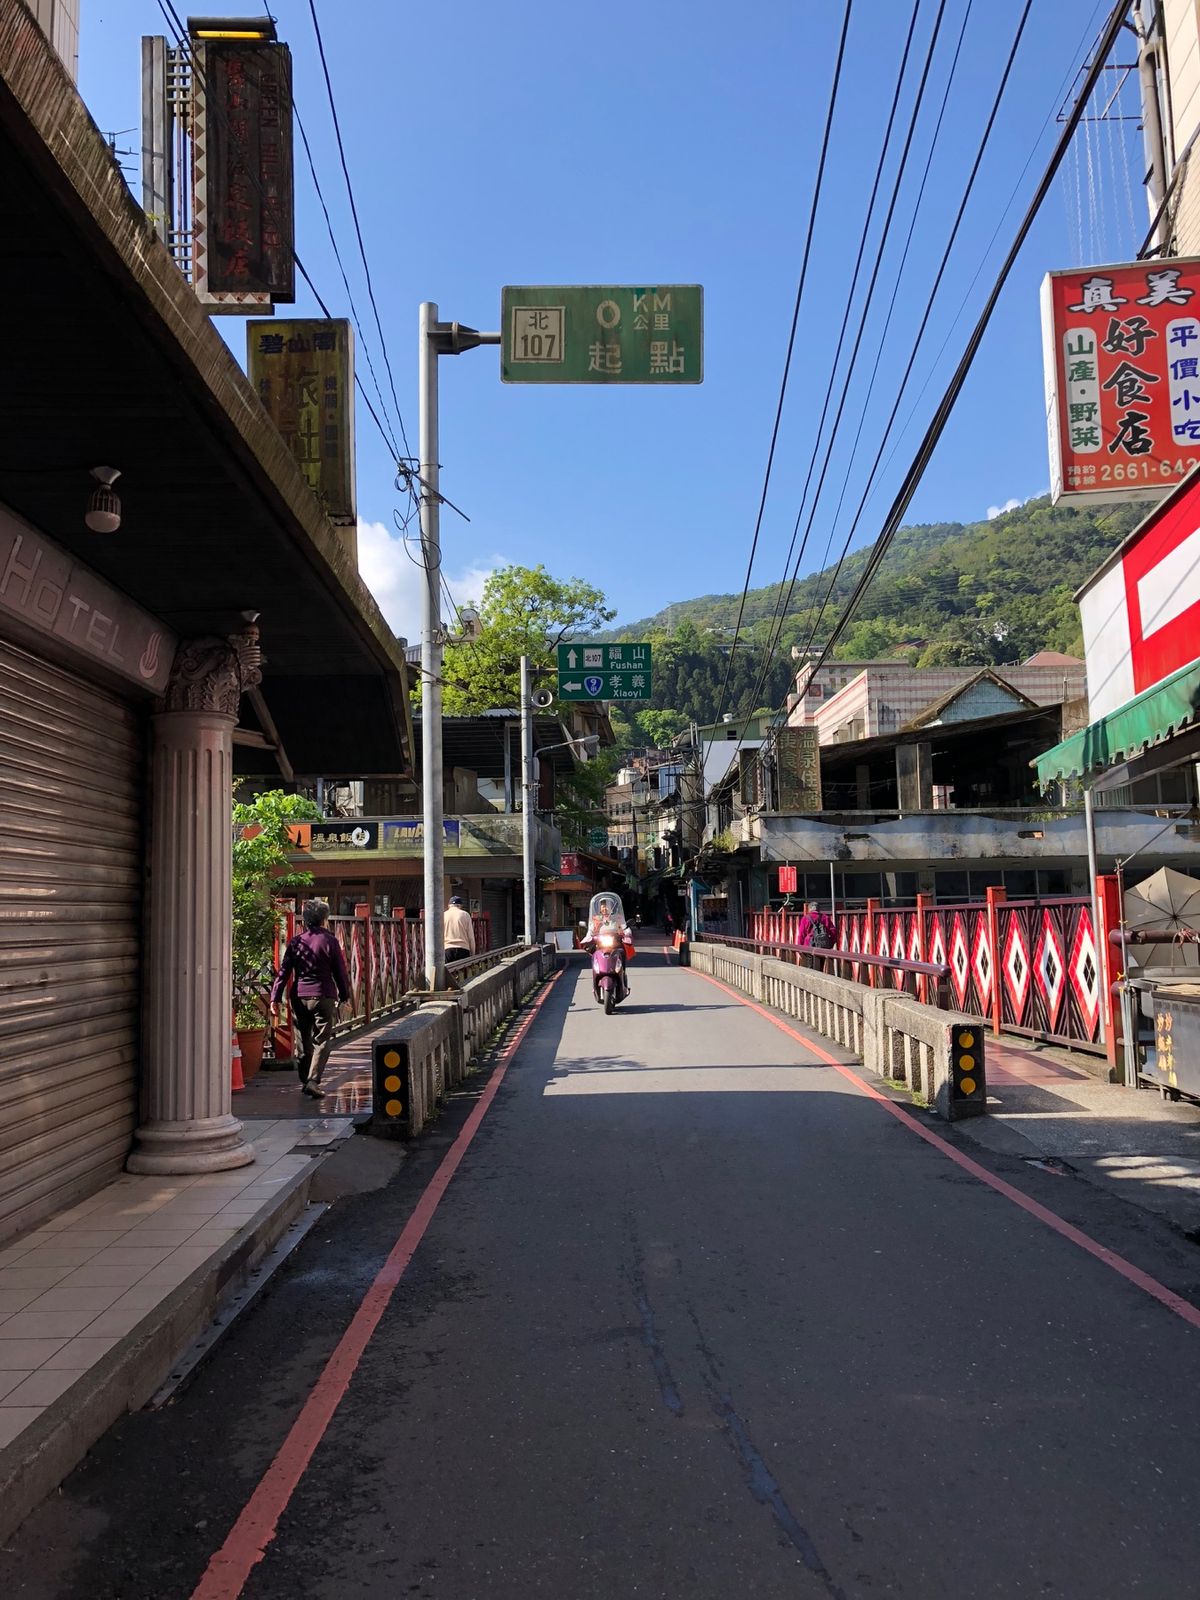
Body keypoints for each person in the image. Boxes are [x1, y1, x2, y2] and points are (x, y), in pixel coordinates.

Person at [270, 899, 351, 1098]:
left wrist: (275, 997)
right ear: (325, 919)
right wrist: (344, 996)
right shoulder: (330, 941)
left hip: (299, 996)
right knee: (322, 1040)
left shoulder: (297, 941)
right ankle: (313, 1080)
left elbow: (284, 972)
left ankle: (305, 1080)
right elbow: (340, 972)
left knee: (302, 1041)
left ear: (305, 920)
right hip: (323, 995)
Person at [444, 895, 476, 965]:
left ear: (449, 905)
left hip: (447, 950)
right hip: (463, 949)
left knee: (448, 974)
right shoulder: (465, 915)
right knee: (464, 974)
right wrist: (473, 953)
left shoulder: (443, 915)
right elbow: (471, 937)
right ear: (460, 906)